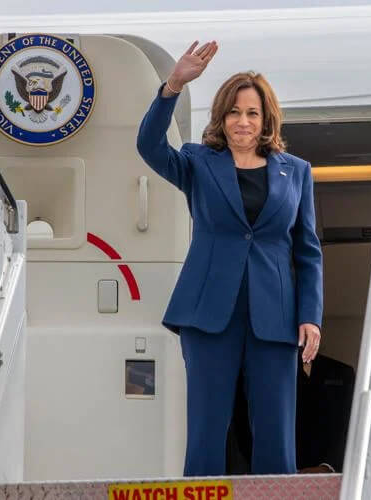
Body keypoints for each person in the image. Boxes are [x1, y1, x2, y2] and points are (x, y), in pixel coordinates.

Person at [136, 41, 323, 476]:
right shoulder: (198, 163)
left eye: (252, 113)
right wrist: (173, 86)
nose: (243, 121)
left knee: (276, 432)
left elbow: (308, 250)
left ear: (265, 119)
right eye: (234, 112)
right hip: (208, 314)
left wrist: (310, 315)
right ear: (221, 118)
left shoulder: (295, 170)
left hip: (275, 316)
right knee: (206, 428)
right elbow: (148, 145)